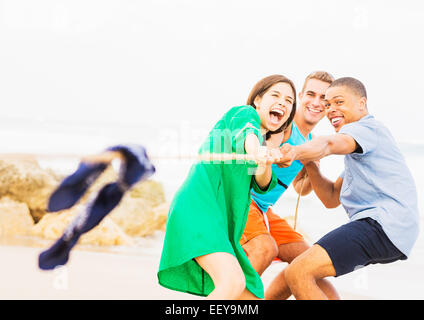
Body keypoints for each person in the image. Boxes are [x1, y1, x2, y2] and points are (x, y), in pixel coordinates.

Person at [278, 77, 419, 300]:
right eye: (328, 105)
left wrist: (295, 151)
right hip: (392, 232)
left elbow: (330, 144)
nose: (331, 109)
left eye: (339, 102)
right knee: (295, 271)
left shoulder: (366, 129)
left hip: (383, 225)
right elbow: (331, 198)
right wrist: (312, 167)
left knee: (299, 271)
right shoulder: (361, 151)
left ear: (361, 103)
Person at [157, 74, 297, 299]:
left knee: (248, 294)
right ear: (258, 100)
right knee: (232, 281)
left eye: (289, 101)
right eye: (276, 95)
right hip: (198, 208)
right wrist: (257, 151)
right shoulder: (243, 114)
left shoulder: (262, 145)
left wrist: (265, 158)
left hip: (221, 224)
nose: (283, 102)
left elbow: (262, 183)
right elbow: (247, 136)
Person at [240, 71, 340, 300]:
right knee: (265, 248)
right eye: (311, 94)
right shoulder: (283, 123)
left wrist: (312, 167)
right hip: (245, 201)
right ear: (300, 96)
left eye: (323, 99)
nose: (316, 102)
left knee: (308, 261)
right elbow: (256, 141)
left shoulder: (309, 142)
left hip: (264, 210)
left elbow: (301, 189)